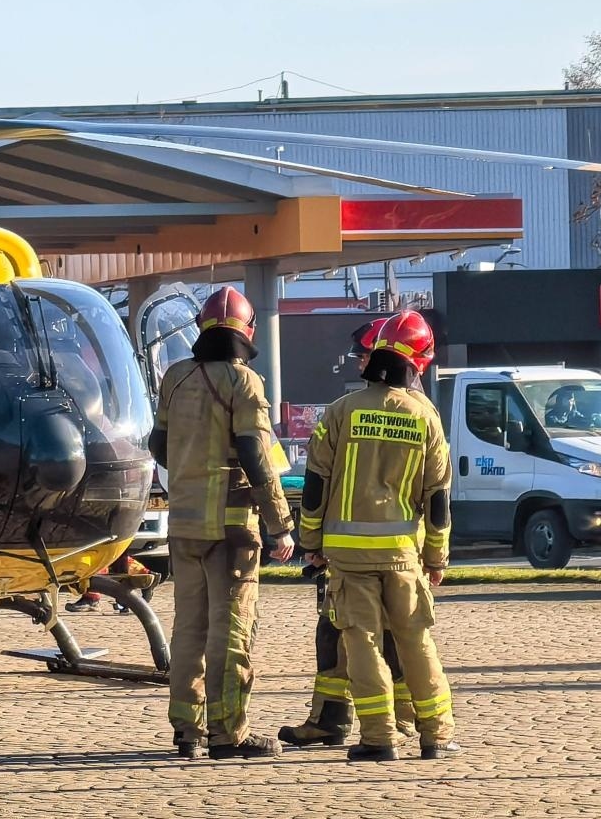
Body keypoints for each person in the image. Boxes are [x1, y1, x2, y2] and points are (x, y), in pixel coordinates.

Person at [298, 310, 457, 762]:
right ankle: (437, 736)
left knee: (361, 642)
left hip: (347, 556)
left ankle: (379, 738)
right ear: (418, 363)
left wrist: (311, 545)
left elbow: (314, 488)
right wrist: (436, 557)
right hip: (404, 553)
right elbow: (438, 500)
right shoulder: (426, 417)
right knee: (416, 641)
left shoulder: (340, 411)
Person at [151, 286, 296, 761]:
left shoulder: (174, 377)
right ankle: (228, 732)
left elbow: (159, 446)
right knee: (230, 630)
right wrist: (280, 524)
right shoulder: (244, 382)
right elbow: (256, 455)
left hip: (184, 525)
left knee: (188, 627)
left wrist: (194, 460)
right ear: (248, 330)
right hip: (232, 530)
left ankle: (187, 731)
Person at [281, 319, 422, 748]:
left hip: (371, 555)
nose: (361, 361)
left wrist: (312, 543)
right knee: (336, 635)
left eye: (366, 353)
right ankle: (331, 717)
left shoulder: (381, 411)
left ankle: (397, 723)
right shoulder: (395, 410)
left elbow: (318, 482)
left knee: (384, 641)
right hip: (371, 552)